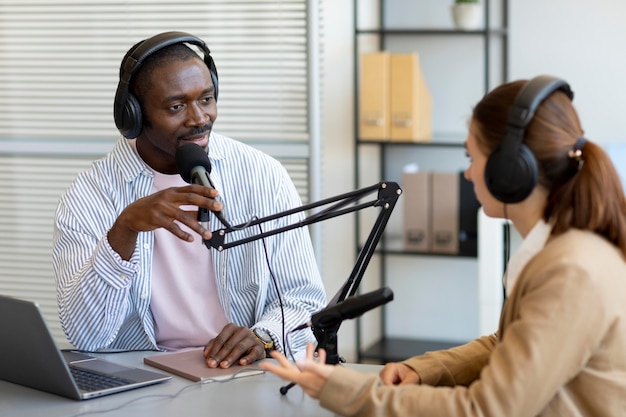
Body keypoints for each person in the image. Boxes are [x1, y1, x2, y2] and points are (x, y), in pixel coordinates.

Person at [261, 75, 626, 416]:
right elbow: (506, 346)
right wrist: (422, 370)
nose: (467, 174)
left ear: (509, 170)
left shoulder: (570, 272)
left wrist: (349, 390)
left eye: (472, 158)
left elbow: (485, 409)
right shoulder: (559, 250)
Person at [52, 31, 326, 369]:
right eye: (176, 106)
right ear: (133, 116)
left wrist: (264, 336)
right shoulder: (89, 194)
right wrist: (124, 229)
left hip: (240, 371)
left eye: (207, 99)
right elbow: (86, 337)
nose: (199, 118)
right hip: (140, 375)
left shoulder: (261, 175)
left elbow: (304, 299)